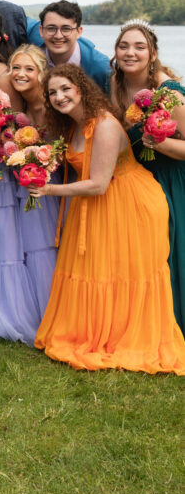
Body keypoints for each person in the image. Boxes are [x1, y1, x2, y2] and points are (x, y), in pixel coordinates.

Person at [33, 64, 185, 374]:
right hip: (94, 205)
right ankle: (94, 332)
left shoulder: (102, 125)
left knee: (120, 274)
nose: (60, 97)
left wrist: (49, 189)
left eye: (65, 89)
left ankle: (126, 339)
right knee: (96, 273)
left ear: (81, 89)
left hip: (127, 203)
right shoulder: (72, 126)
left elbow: (98, 184)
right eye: (53, 93)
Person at [111, 20, 185, 332]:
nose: (131, 53)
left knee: (169, 253)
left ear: (152, 53)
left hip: (170, 181)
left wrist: (161, 143)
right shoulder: (113, 86)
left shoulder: (168, 92)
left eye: (139, 47)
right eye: (124, 46)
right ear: (115, 52)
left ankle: (173, 324)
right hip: (137, 183)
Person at [0, 45, 60, 345]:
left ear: (42, 72)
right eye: (16, 67)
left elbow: (60, 148)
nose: (20, 74)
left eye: (29, 69)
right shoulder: (20, 104)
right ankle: (18, 311)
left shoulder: (51, 105)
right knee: (17, 245)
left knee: (40, 247)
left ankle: (50, 314)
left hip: (45, 183)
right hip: (20, 179)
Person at [26, 0, 110, 91]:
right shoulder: (32, 38)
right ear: (41, 31)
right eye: (51, 28)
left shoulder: (101, 68)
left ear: (78, 32)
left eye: (66, 29)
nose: (58, 36)